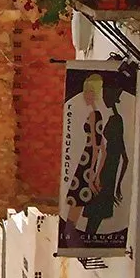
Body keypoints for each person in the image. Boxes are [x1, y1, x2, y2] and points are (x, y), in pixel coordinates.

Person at [61, 73, 104, 243]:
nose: (85, 96)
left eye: (87, 92)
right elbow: (102, 148)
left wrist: (92, 172)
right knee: (78, 198)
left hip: (87, 161)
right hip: (88, 160)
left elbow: (96, 146)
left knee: (77, 198)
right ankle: (70, 232)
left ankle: (70, 233)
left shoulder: (94, 115)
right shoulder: (97, 114)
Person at [84, 81, 129, 237]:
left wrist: (118, 186)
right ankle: (88, 241)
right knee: (95, 213)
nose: (103, 98)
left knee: (96, 212)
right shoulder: (112, 118)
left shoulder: (117, 120)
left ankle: (88, 241)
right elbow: (124, 158)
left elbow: (125, 159)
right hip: (106, 171)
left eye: (105, 95)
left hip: (107, 172)